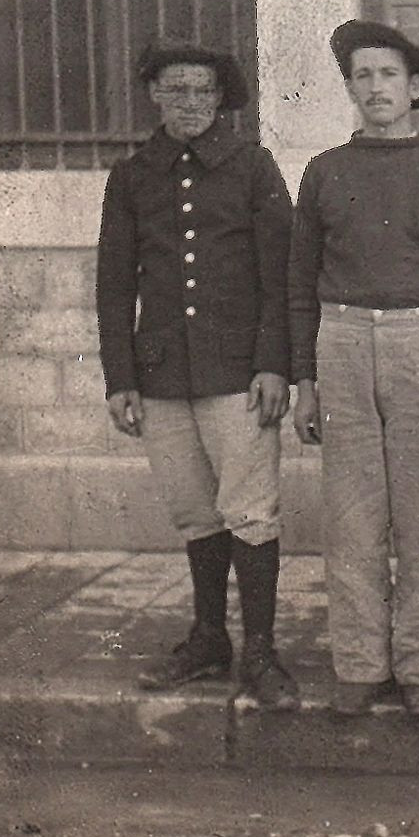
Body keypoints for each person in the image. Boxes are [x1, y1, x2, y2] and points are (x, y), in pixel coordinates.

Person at [287, 20, 419, 717]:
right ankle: (360, 663)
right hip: (340, 342)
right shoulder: (324, 171)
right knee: (351, 519)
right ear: (350, 87)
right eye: (363, 76)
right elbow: (298, 283)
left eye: (388, 76)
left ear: (415, 89)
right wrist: (305, 381)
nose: (376, 87)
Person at [96, 39, 298, 710]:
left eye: (202, 92)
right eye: (175, 89)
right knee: (193, 513)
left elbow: (282, 278)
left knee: (249, 511)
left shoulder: (251, 167)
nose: (189, 102)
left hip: (239, 375)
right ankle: (209, 639)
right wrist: (119, 376)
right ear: (153, 94)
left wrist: (274, 364)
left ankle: (261, 653)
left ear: (220, 100)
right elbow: (113, 284)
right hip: (160, 376)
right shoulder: (132, 176)